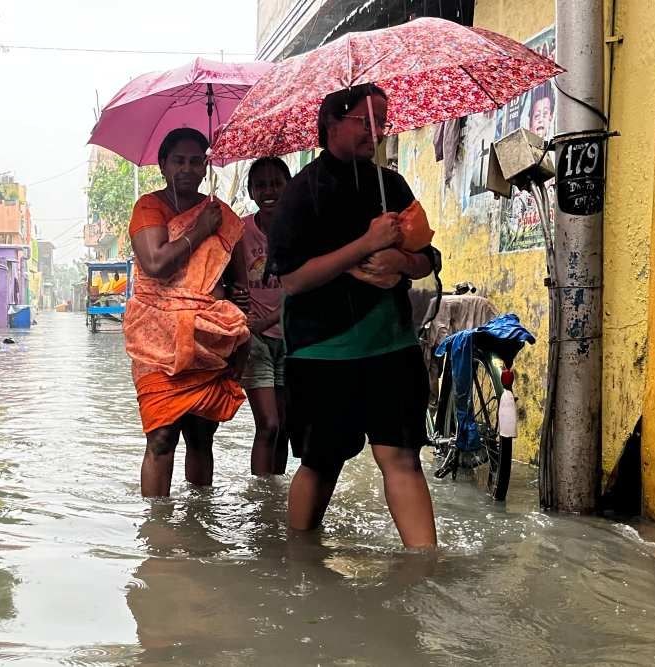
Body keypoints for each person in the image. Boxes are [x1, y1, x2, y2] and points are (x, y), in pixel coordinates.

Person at [266, 85, 440, 548]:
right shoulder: (300, 194)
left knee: (403, 457)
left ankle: (424, 572)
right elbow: (293, 280)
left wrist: (401, 263)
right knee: (321, 463)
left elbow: (427, 258)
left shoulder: (391, 185)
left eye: (382, 121)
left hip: (392, 345)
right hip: (323, 351)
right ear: (330, 122)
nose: (377, 131)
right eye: (367, 121)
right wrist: (363, 247)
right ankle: (298, 563)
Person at [124, 128, 250, 497]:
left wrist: (240, 338)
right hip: (156, 340)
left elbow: (239, 286)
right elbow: (156, 263)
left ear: (205, 166)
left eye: (196, 161)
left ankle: (200, 524)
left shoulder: (221, 215)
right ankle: (157, 530)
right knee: (161, 438)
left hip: (209, 338)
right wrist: (199, 230)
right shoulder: (149, 207)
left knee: (201, 437)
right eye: (178, 160)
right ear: (163, 165)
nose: (187, 169)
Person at [239, 157, 293, 477]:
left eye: (276, 183)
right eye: (261, 185)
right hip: (254, 338)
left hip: (291, 335)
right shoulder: (239, 231)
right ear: (251, 191)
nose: (269, 190)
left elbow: (304, 288)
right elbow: (229, 277)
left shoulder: (300, 229)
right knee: (269, 425)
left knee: (285, 427)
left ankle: (275, 502)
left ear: (288, 186)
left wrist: (270, 320)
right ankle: (261, 500)